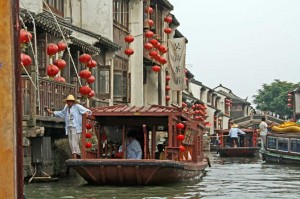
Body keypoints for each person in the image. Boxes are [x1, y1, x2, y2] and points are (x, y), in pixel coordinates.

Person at [46, 95, 92, 159]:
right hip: (69, 127)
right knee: (71, 141)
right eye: (68, 101)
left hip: (75, 127)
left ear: (73, 102)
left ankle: (75, 154)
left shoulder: (77, 107)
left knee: (74, 141)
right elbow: (61, 113)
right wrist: (52, 112)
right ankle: (77, 154)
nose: (69, 102)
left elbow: (87, 110)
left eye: (70, 101)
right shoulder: (66, 108)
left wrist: (87, 112)